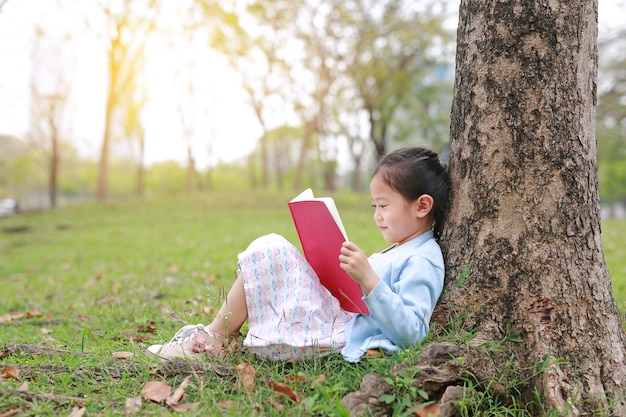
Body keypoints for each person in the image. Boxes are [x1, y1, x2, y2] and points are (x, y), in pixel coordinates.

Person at [147, 146, 450, 363]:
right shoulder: (402, 248)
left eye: (384, 206)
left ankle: (213, 339)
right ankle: (215, 336)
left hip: (341, 329)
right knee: (271, 250)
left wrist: (369, 279)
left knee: (272, 248)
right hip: (337, 314)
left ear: (422, 206)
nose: (377, 216)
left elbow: (412, 334)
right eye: (375, 207)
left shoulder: (424, 259)